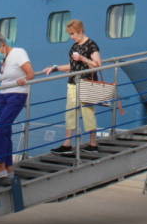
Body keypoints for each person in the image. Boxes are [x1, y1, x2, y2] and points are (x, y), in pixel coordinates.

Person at [42, 19, 102, 152]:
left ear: (80, 31)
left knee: (88, 113)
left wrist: (83, 58)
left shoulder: (91, 45)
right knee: (70, 113)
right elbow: (72, 66)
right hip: (73, 83)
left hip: (87, 83)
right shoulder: (74, 46)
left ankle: (93, 144)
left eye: (73, 33)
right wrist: (56, 68)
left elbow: (98, 64)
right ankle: (67, 144)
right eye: (70, 34)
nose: (71, 37)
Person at [0, 33, 34, 179]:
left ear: (3, 46)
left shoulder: (18, 53)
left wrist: (23, 80)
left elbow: (31, 73)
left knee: (0, 127)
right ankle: (9, 167)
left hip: (16, 94)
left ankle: (0, 167)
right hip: (3, 95)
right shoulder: (4, 59)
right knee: (5, 130)